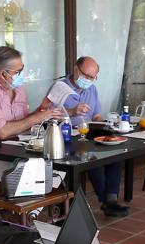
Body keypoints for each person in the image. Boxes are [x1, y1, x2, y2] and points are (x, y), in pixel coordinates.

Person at [0, 45, 65, 180]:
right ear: (3, 73)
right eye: (18, 71)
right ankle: (39, 200)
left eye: (22, 69)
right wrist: (38, 117)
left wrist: (41, 110)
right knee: (43, 173)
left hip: (19, 152)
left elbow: (23, 122)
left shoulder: (18, 89)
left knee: (61, 168)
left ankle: (55, 201)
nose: (21, 74)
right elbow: (3, 131)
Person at [54, 56, 129, 217]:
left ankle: (111, 198)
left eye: (92, 77)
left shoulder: (92, 89)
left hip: (87, 134)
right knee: (92, 156)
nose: (88, 80)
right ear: (75, 69)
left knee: (115, 152)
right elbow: (48, 116)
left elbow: (96, 116)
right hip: (65, 137)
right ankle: (106, 202)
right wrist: (72, 111)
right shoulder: (59, 88)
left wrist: (104, 125)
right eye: (86, 75)